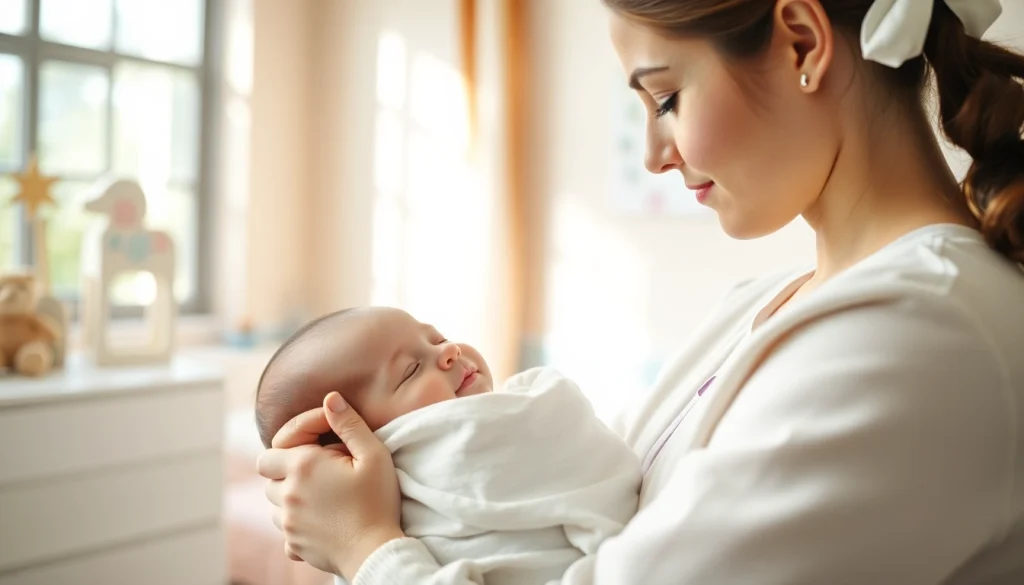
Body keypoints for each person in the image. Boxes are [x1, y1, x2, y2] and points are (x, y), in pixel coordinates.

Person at [257, 0, 1024, 582]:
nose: (655, 154)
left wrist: (367, 548)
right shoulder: (763, 305)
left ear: (803, 42)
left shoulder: (917, 335)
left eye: (665, 99)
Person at [254, 306, 640, 584]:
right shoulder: (388, 490)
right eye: (410, 370)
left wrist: (361, 544)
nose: (449, 351)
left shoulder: (523, 416)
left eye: (438, 339)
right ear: (347, 441)